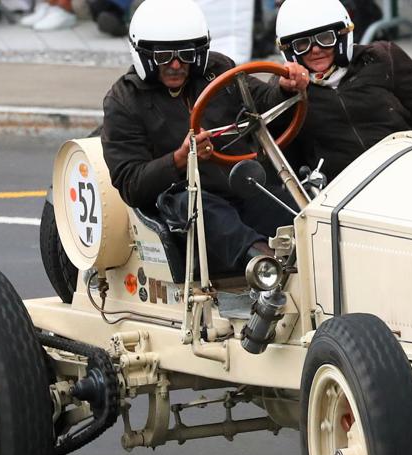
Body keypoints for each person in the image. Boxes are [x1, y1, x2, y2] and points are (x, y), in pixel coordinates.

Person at [101, 0, 309, 277]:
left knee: (292, 209)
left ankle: (316, 263)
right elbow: (130, 183)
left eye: (186, 54)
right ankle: (266, 267)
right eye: (164, 57)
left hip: (239, 186)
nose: (176, 65)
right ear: (144, 55)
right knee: (198, 205)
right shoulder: (124, 100)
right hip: (177, 204)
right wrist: (178, 159)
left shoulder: (217, 70)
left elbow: (261, 101)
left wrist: (284, 89)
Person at [274, 0, 412, 184]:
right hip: (342, 194)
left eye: (325, 38)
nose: (315, 50)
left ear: (342, 35)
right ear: (290, 50)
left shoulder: (382, 57)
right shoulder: (283, 88)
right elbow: (275, 157)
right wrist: (285, 93)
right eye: (302, 44)